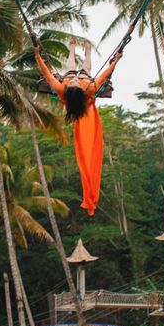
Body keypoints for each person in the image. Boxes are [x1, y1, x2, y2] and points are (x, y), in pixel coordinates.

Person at [34, 44, 122, 216]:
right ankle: (88, 51)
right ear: (80, 91)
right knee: (85, 69)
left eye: (73, 83)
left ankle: (72, 48)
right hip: (86, 86)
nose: (74, 81)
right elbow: (104, 75)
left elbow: (46, 73)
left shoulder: (62, 88)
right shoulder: (89, 89)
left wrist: (37, 54)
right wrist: (116, 60)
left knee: (71, 70)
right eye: (75, 84)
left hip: (73, 98)